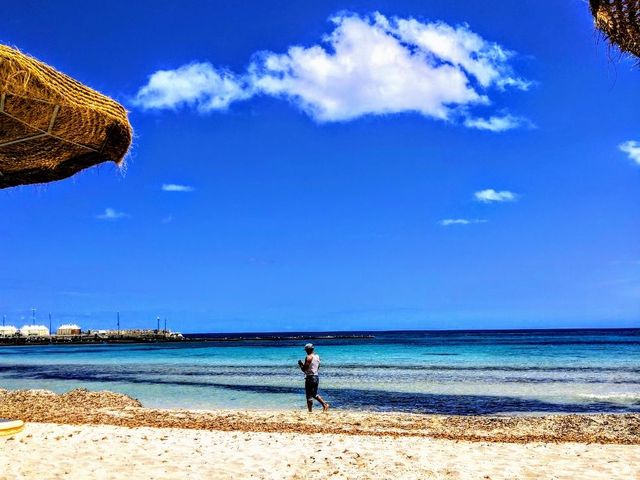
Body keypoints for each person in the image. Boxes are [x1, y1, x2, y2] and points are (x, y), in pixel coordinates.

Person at [297, 343, 329, 412]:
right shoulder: (317, 356)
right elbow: (317, 366)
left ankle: (310, 411)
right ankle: (325, 404)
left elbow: (304, 369)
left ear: (308, 350)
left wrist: (300, 364)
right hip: (316, 376)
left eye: (306, 350)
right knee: (314, 394)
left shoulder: (308, 357)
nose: (305, 351)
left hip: (310, 378)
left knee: (309, 396)